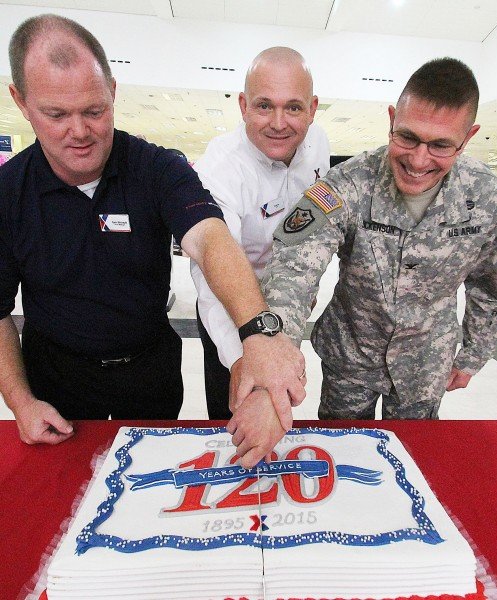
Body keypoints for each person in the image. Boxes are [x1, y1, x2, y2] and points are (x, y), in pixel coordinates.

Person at [0, 14, 306, 449]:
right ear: (21, 101)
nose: (80, 131)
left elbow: (209, 237)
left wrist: (258, 330)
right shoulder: (8, 194)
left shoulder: (156, 168)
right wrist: (20, 402)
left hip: (150, 374)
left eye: (94, 110)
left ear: (113, 92)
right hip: (56, 383)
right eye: (56, 115)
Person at [261, 57, 497, 420]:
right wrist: (277, 351)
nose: (418, 159)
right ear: (392, 119)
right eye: (407, 136)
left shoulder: (486, 196)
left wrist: (475, 352)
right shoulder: (348, 182)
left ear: (467, 138)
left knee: (413, 455)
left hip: (424, 364)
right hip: (349, 357)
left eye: (441, 145)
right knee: (344, 448)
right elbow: (295, 263)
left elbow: (492, 283)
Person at [191, 47, 329, 420]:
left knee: (279, 413)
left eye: (294, 107)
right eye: (264, 105)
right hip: (229, 303)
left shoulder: (320, 145)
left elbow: (316, 215)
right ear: (243, 105)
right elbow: (210, 272)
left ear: (313, 108)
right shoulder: (219, 170)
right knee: (233, 411)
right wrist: (243, 361)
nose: (279, 123)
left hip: (288, 299)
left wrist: (304, 287)